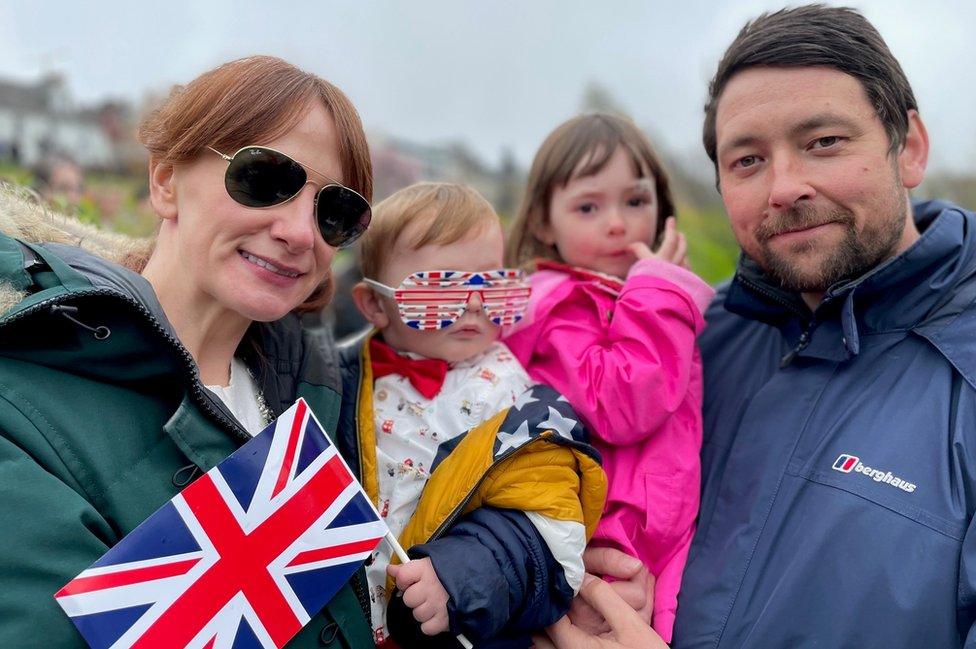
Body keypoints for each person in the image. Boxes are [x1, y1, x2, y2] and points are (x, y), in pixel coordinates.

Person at [546, 5, 976, 648]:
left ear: (908, 147)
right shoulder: (683, 345)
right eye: (747, 160)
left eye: (823, 142)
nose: (784, 187)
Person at [0, 56, 378, 647]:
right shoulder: (21, 409)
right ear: (166, 181)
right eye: (264, 179)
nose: (301, 232)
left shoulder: (333, 394)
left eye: (335, 212)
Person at [336, 182, 607, 647]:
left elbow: (549, 528)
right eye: (440, 289)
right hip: (348, 623)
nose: (474, 305)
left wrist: (459, 577)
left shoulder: (515, 400)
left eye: (494, 285)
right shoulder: (338, 380)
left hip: (457, 626)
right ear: (375, 305)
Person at [502, 113, 714, 642]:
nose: (617, 223)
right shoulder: (557, 307)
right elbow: (620, 402)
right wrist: (661, 293)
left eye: (635, 202)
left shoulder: (636, 298)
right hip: (603, 538)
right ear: (545, 223)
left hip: (659, 531)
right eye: (588, 207)